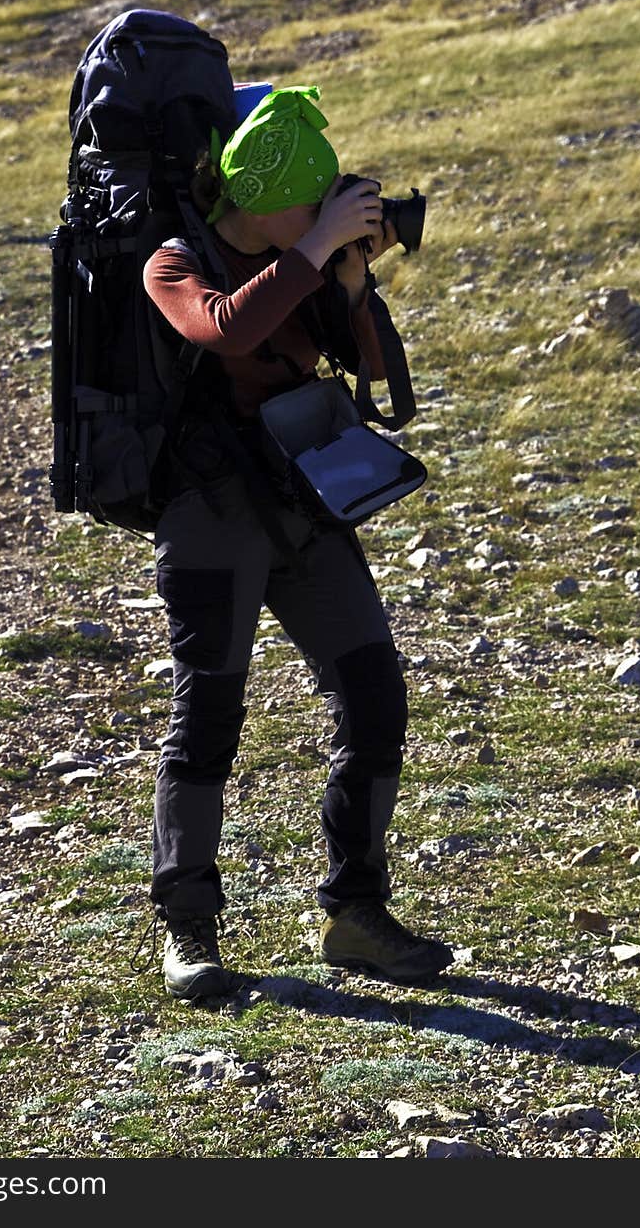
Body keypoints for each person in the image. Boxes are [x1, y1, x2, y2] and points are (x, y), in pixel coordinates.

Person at [140, 85, 453, 1000]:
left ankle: (354, 912)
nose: (320, 220)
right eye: (308, 206)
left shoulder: (307, 260)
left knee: (374, 693)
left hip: (301, 503)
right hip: (208, 516)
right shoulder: (172, 260)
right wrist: (316, 251)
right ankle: (187, 925)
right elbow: (221, 324)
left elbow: (378, 376)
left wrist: (350, 284)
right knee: (209, 717)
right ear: (262, 199)